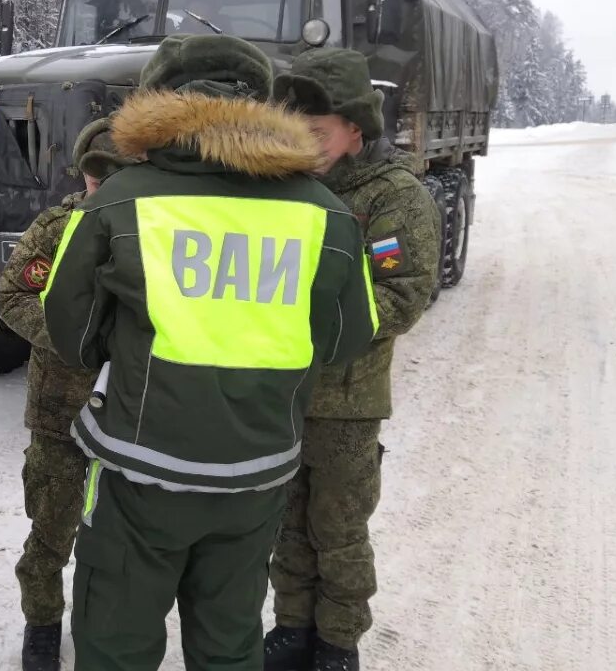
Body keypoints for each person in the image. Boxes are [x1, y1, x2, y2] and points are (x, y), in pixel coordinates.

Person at [40, 34, 381, 671]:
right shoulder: (328, 217)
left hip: (137, 471)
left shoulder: (114, 203)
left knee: (115, 639)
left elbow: (73, 332)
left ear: (157, 103)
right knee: (229, 642)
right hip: (257, 475)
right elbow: (342, 338)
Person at [264, 48, 441, 671]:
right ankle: (290, 628)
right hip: (281, 396)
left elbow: (403, 291)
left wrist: (313, 329)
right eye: (297, 129)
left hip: (347, 402)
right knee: (286, 524)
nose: (306, 142)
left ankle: (337, 641)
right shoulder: (281, 192)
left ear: (355, 131)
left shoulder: (392, 197)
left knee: (337, 530)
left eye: (318, 130)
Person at [0, 118, 138, 671]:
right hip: (60, 407)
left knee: (119, 532)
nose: (101, 187)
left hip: (129, 411)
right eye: (94, 176)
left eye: (115, 175)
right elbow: (14, 296)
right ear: (82, 174)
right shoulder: (56, 228)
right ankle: (42, 624)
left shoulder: (150, 230)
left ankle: (103, 625)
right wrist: (76, 338)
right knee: (51, 526)